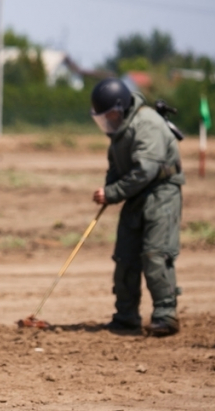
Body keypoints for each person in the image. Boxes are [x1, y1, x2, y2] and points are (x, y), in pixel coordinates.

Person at [90, 78, 184, 336]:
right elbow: (116, 168)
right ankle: (126, 316)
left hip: (161, 194)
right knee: (125, 258)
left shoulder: (147, 124)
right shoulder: (120, 132)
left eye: (109, 115)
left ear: (121, 108)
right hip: (136, 197)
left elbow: (146, 170)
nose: (107, 122)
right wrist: (109, 189)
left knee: (155, 255)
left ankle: (166, 315)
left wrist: (113, 193)